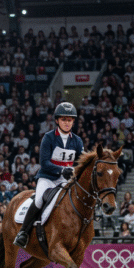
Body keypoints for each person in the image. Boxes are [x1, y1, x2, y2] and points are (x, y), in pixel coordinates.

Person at [13, 102, 85, 248]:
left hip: (67, 180)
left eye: (69, 120)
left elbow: (80, 162)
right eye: (64, 119)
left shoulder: (77, 140)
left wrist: (75, 171)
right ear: (57, 120)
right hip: (48, 178)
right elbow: (44, 162)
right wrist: (60, 170)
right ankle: (23, 233)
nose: (67, 123)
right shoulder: (49, 137)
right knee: (39, 200)